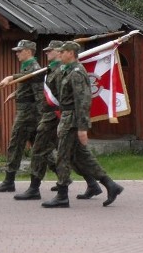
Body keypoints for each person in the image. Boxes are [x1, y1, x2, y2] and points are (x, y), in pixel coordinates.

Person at [13, 40, 101, 201]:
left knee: (52, 152)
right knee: (71, 154)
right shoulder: (56, 69)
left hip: (57, 116)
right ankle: (95, 184)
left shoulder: (67, 71)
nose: (48, 53)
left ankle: (54, 190)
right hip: (55, 116)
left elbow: (79, 99)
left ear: (66, 53)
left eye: (52, 51)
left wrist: (82, 127)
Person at [41, 42, 124, 208]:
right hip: (67, 118)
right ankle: (110, 185)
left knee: (62, 157)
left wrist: (82, 128)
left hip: (72, 121)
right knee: (82, 157)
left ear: (71, 53)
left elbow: (83, 101)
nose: (60, 54)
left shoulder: (77, 73)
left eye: (63, 52)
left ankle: (62, 195)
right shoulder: (68, 72)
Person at [0, 39, 41, 192]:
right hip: (28, 112)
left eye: (20, 51)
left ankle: (9, 181)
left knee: (15, 145)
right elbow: (28, 84)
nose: (17, 54)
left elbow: (35, 85)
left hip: (28, 114)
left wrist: (11, 78)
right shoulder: (27, 66)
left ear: (28, 51)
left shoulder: (34, 67)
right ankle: (63, 176)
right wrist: (16, 92)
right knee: (41, 148)